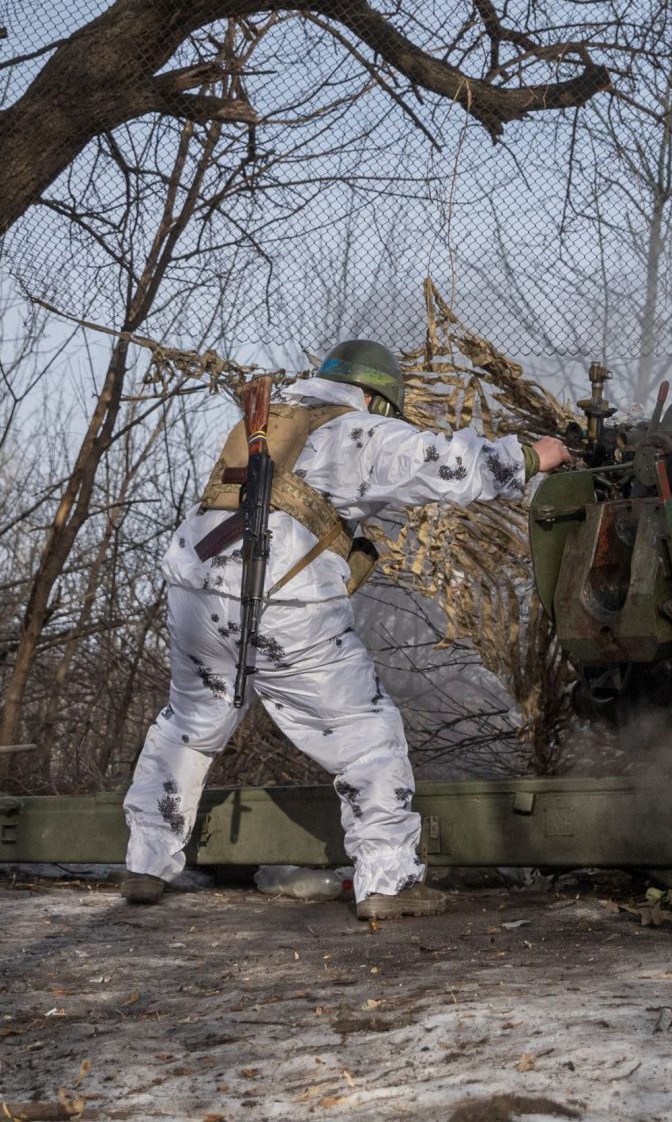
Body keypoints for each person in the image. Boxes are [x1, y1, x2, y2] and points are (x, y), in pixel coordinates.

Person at [120, 340, 571, 920]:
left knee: (188, 725)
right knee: (367, 735)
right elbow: (449, 466)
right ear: (376, 398)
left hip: (196, 589)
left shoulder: (271, 420)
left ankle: (145, 864)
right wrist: (531, 456)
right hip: (285, 601)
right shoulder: (359, 430)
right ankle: (387, 881)